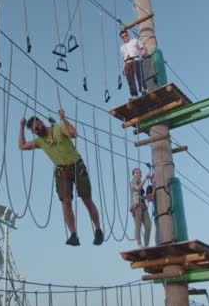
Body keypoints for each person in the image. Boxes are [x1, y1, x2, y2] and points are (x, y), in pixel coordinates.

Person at [18, 109, 104, 246]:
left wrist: (64, 119)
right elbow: (22, 146)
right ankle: (73, 234)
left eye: (37, 127)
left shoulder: (58, 128)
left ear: (41, 122)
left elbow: (74, 134)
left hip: (77, 167)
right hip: (61, 171)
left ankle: (98, 230)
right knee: (66, 202)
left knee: (87, 199)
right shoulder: (40, 141)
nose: (37, 131)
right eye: (34, 131)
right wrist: (22, 127)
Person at [119, 30, 146, 99]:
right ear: (121, 38)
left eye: (125, 35)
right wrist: (124, 67)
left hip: (136, 59)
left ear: (128, 35)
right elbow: (124, 58)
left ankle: (142, 89)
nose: (124, 37)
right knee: (130, 80)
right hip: (127, 62)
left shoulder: (135, 41)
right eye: (123, 37)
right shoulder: (122, 47)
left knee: (138, 75)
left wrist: (142, 56)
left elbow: (143, 49)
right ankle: (134, 94)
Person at [130, 168, 151, 248]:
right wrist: (145, 178)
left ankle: (146, 245)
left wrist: (146, 197)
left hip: (143, 205)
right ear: (133, 174)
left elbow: (140, 194)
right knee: (138, 225)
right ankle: (139, 243)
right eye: (136, 172)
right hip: (136, 206)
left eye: (139, 173)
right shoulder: (132, 183)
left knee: (148, 225)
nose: (138, 174)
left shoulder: (140, 183)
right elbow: (138, 188)